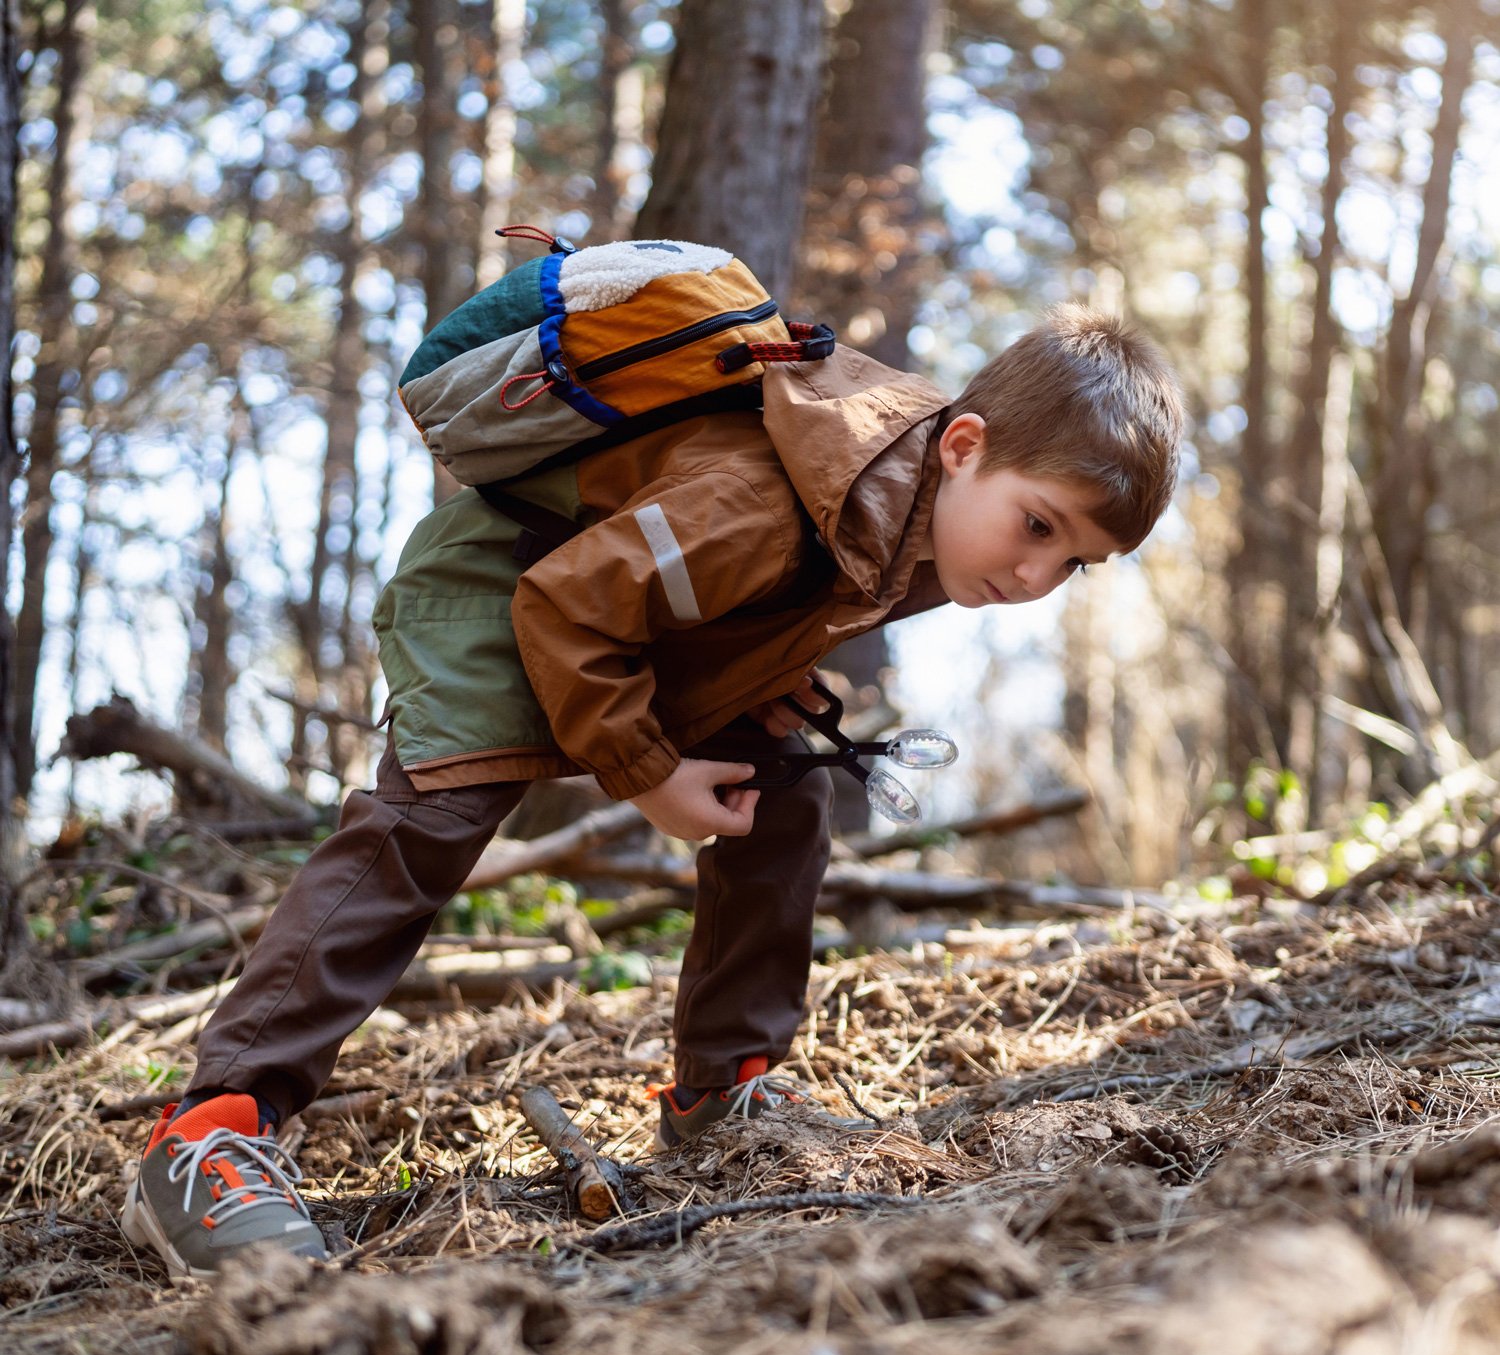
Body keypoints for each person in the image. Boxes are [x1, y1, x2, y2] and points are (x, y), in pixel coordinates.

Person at [121, 303, 1184, 1278]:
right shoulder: (771, 501)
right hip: (509, 587)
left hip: (623, 623)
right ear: (964, 446)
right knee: (425, 825)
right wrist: (653, 778)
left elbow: (743, 600)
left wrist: (761, 678)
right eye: (1040, 527)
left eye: (1075, 562)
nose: (1037, 578)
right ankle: (212, 1129)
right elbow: (567, 607)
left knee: (787, 787)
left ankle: (724, 1091)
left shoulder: (924, 523)